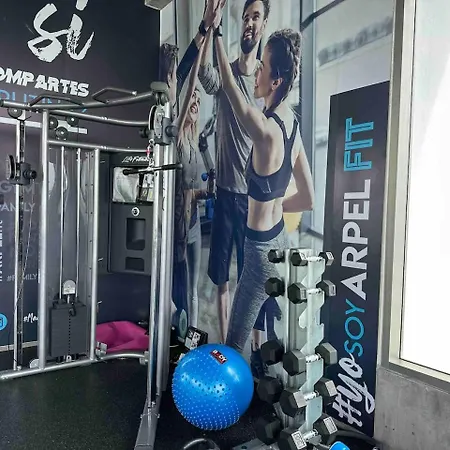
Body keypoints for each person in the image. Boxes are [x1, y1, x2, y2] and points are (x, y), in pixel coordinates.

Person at [212, 14, 315, 358]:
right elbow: (308, 198)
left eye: (263, 66)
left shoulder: (266, 130)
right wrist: (276, 205)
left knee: (232, 345)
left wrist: (215, 29)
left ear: (276, 81)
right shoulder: (293, 127)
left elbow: (229, 87)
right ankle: (262, 373)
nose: (256, 70)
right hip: (280, 241)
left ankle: (235, 391)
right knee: (271, 334)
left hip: (258, 253)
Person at [198, 0, 271, 345]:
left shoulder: (264, 83)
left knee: (251, 278)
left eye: (256, 17)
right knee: (221, 278)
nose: (249, 23)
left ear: (264, 25)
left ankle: (256, 350)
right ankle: (228, 348)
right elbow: (205, 75)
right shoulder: (226, 72)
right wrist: (209, 27)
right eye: (245, 17)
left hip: (254, 200)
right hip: (226, 194)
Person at [159, 0, 221, 337]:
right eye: (169, 78)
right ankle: (177, 339)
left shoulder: (193, 138)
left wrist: (206, 28)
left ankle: (191, 340)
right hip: (175, 226)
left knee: (192, 291)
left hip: (193, 223)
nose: (174, 82)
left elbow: (187, 71)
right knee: (176, 291)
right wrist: (204, 29)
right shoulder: (170, 127)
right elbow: (186, 72)